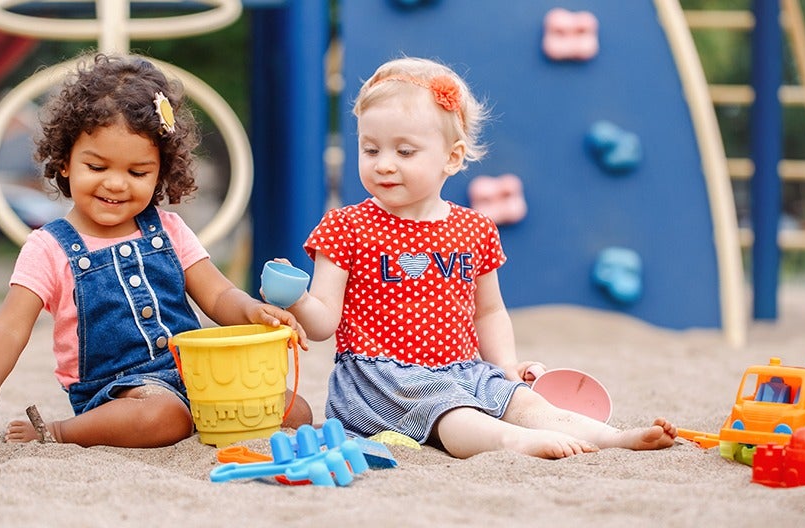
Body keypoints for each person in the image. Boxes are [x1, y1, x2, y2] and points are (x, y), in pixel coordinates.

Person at [280, 57, 676, 459]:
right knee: (455, 415)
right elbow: (324, 323)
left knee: (523, 401)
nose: (384, 163)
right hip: (382, 381)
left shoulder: (475, 228)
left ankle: (610, 437)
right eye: (370, 148)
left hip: (464, 370)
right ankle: (511, 441)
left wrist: (505, 365)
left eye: (404, 151)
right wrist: (296, 300)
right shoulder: (346, 226)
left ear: (452, 157)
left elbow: (488, 312)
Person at [0, 53, 312, 448]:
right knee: (162, 416)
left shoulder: (169, 230)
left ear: (161, 171)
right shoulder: (49, 247)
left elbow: (218, 293)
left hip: (196, 375)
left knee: (295, 410)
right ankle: (59, 431)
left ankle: (201, 417)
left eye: (137, 172)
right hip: (118, 394)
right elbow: (11, 324)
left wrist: (251, 312)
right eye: (98, 167)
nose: (117, 184)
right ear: (66, 161)